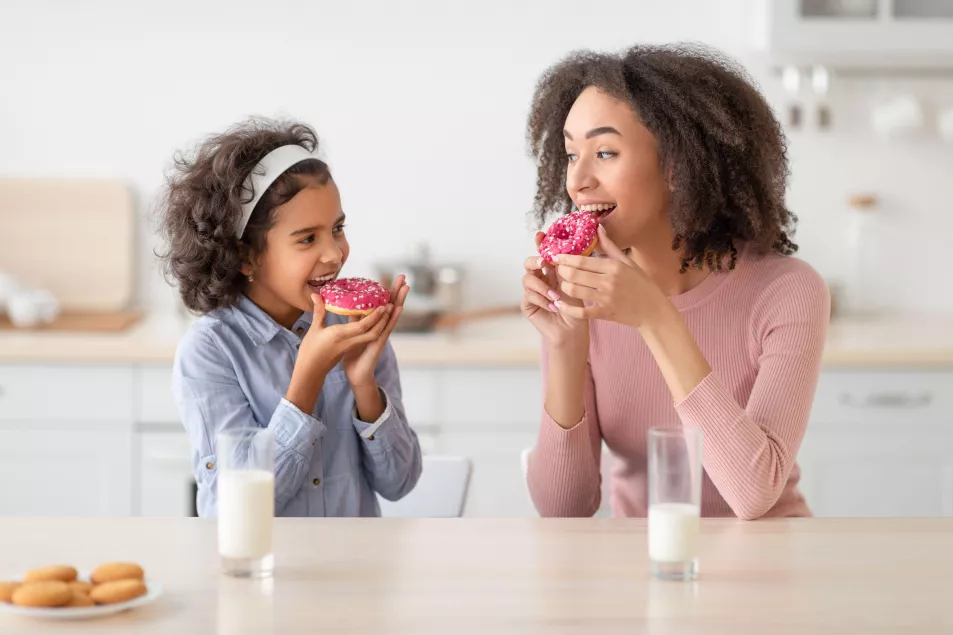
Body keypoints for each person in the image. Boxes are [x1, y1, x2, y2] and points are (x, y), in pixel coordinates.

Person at [521, 44, 830, 520]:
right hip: (641, 569)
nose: (577, 181)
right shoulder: (584, 294)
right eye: (570, 154)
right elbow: (564, 510)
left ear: (677, 166)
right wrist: (566, 347)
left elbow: (753, 494)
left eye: (604, 152)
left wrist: (655, 318)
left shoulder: (787, 291)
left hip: (769, 566)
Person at [157, 118, 422, 517]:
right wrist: (308, 378)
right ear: (247, 255)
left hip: (355, 574)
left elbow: (400, 484)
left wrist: (364, 384)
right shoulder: (211, 351)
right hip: (263, 573)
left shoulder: (352, 330)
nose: (334, 253)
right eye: (307, 238)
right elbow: (237, 511)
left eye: (338, 228)